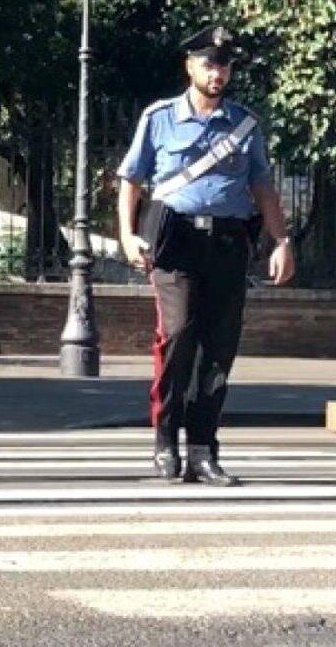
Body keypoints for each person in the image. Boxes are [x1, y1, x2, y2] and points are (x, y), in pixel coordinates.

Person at [116, 25, 295, 486]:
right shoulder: (160, 119)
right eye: (209, 64)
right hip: (176, 243)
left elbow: (262, 187)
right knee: (177, 337)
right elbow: (131, 180)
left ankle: (203, 449)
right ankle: (165, 441)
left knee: (218, 348)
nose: (218, 73)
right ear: (190, 66)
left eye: (225, 65)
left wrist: (282, 241)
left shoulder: (245, 124)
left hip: (228, 243)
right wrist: (127, 234)